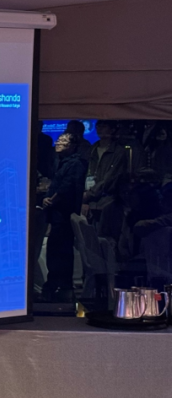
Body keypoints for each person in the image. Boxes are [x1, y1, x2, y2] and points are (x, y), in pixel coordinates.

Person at [41, 132, 88, 301]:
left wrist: (51, 200)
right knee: (55, 250)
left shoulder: (76, 164)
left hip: (64, 215)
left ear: (73, 146)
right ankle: (56, 283)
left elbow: (66, 187)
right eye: (58, 140)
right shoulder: (61, 162)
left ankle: (61, 286)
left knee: (61, 251)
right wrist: (47, 198)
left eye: (63, 141)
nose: (58, 143)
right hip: (56, 214)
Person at [85, 120, 128, 239]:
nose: (100, 129)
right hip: (90, 202)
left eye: (104, 126)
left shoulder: (119, 151)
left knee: (106, 238)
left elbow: (111, 178)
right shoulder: (92, 149)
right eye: (98, 126)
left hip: (108, 201)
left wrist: (89, 194)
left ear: (112, 130)